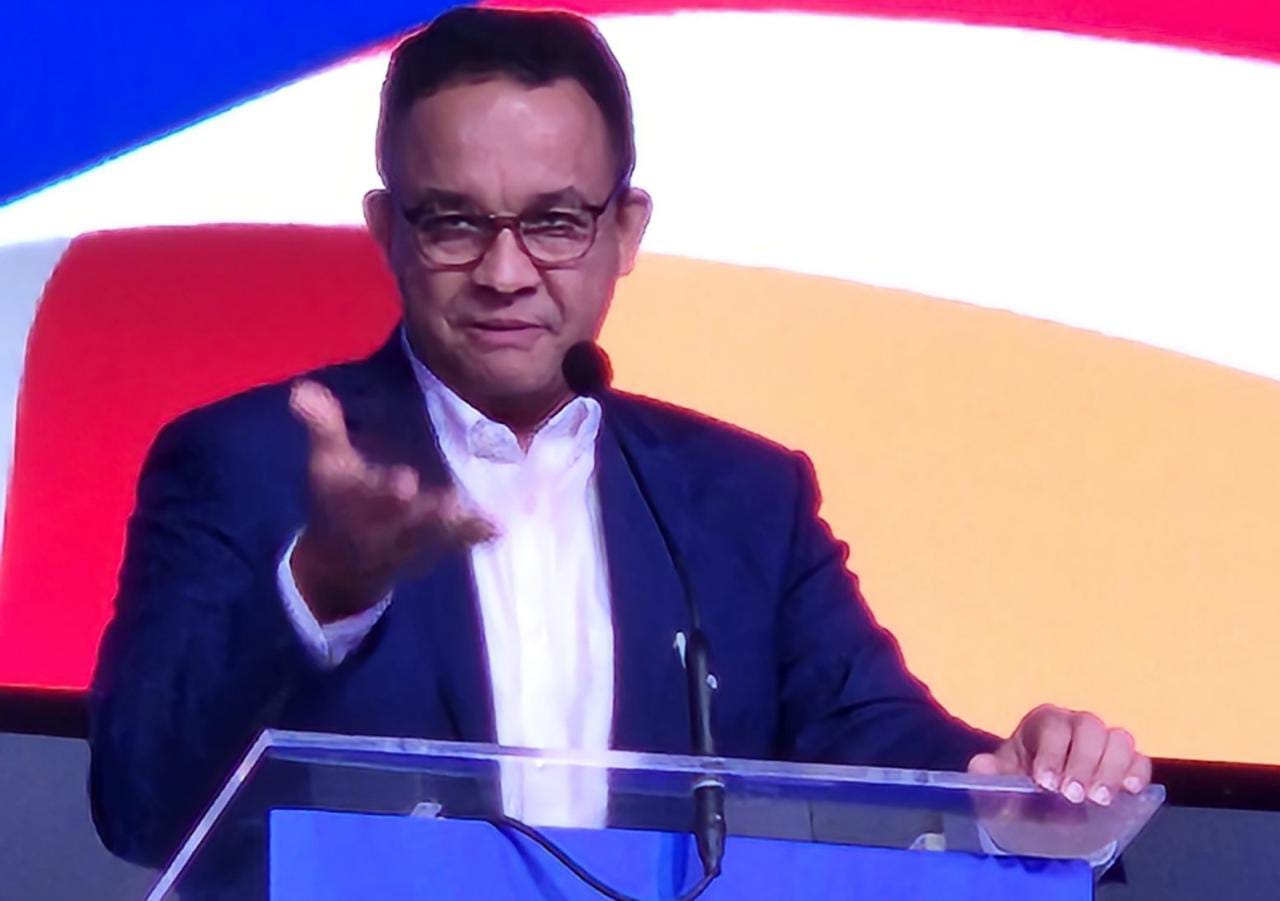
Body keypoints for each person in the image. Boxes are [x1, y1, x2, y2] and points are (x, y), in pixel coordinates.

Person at [89, 6, 1150, 871]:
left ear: (625, 230)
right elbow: (138, 806)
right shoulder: (244, 462)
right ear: (385, 230)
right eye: (454, 220)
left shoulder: (741, 499)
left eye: (554, 221)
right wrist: (321, 589)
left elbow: (872, 739)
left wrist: (1017, 786)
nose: (506, 273)